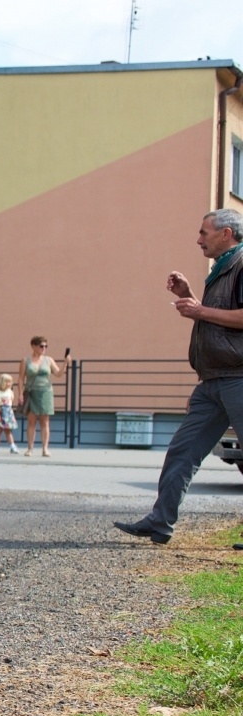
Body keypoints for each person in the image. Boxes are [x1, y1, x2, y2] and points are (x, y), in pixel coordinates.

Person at [116, 208, 243, 545]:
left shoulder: (242, 263)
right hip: (214, 380)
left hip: (238, 378)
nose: (198, 239)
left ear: (226, 234)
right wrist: (189, 296)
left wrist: (199, 309)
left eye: (204, 232)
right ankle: (160, 523)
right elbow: (219, 322)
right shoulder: (222, 268)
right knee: (182, 451)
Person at [18, 335, 65, 456]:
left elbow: (59, 374)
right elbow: (21, 378)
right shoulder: (25, 360)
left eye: (45, 346)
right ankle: (30, 448)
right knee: (31, 421)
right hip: (31, 392)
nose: (43, 348)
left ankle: (45, 448)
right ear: (33, 346)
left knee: (45, 422)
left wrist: (66, 363)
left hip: (46, 392)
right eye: (41, 346)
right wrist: (20, 394)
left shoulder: (49, 360)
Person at [0, 373, 19, 454]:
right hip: (1, 411)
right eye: (7, 382)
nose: (9, 384)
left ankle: (12, 446)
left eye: (10, 382)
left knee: (8, 431)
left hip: (8, 413)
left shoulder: (10, 391)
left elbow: (11, 402)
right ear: (3, 382)